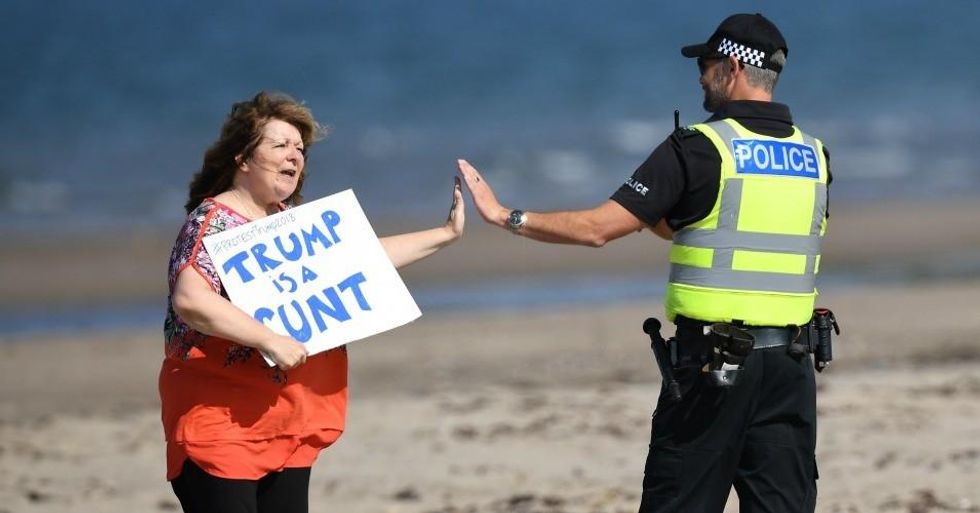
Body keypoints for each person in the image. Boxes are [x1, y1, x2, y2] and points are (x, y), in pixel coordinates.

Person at [457, 13, 830, 513]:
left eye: (707, 62)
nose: (700, 74)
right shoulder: (814, 157)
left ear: (734, 69)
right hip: (791, 368)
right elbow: (728, 230)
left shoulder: (700, 147)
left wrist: (507, 216)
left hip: (713, 370)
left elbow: (597, 229)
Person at [160, 91, 464, 513]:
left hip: (285, 421)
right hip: (221, 423)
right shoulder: (211, 224)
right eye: (280, 145)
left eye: (300, 149)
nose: (295, 156)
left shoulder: (286, 221)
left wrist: (444, 234)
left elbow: (361, 261)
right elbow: (191, 300)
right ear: (242, 159)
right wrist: (269, 339)